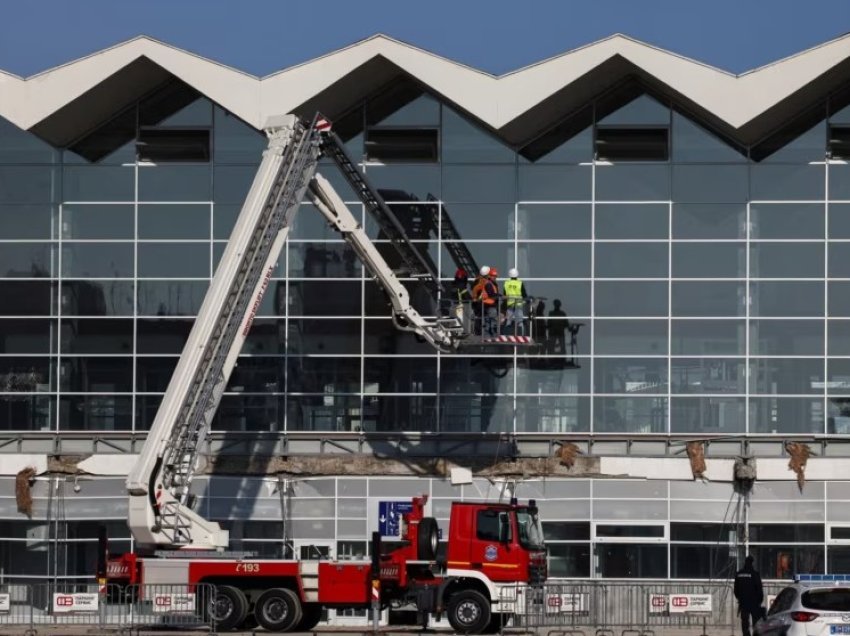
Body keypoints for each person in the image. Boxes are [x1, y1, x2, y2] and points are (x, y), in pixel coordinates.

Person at [734, 555, 764, 636]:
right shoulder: (755, 574)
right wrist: (759, 601)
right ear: (752, 563)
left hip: (743, 602)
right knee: (756, 622)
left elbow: (736, 590)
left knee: (744, 622)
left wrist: (740, 598)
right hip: (754, 602)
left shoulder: (739, 574)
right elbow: (759, 589)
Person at [502, 268, 529, 336]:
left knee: (508, 320)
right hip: (518, 303)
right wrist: (527, 300)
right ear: (517, 275)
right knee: (520, 320)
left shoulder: (506, 283)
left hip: (510, 303)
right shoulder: (520, 283)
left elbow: (504, 294)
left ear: (510, 275)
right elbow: (524, 294)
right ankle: (521, 335)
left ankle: (506, 335)